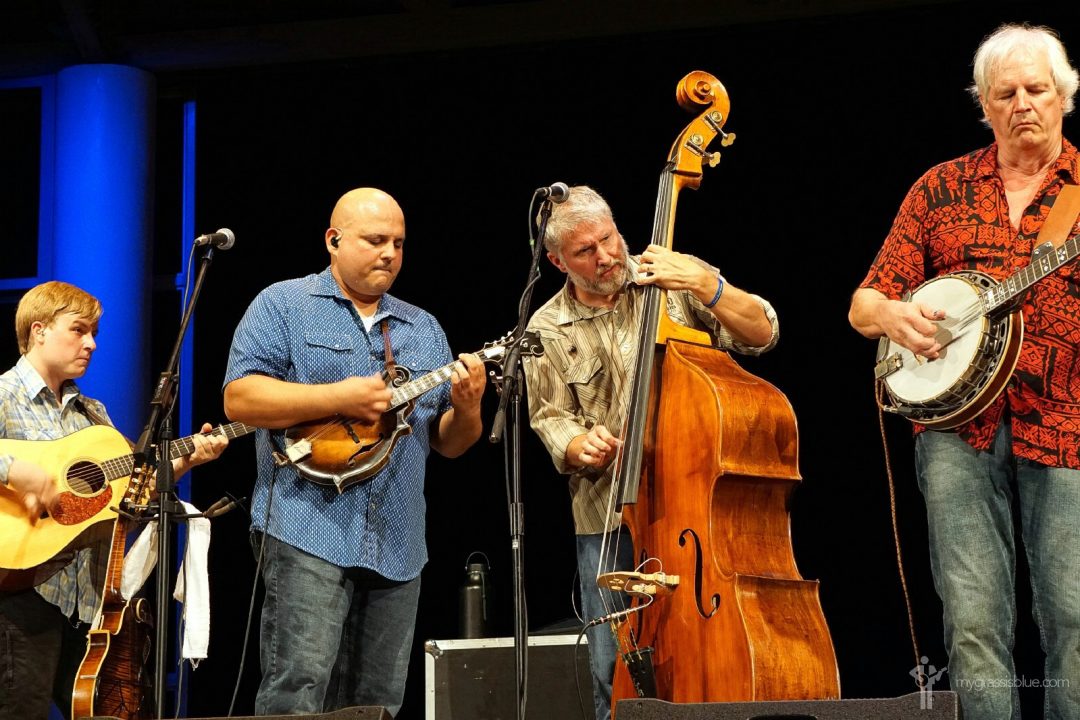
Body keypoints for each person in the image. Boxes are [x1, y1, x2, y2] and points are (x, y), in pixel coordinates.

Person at [849, 23, 1080, 719]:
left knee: (1074, 613)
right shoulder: (939, 189)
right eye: (1005, 93)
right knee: (975, 623)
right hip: (955, 433)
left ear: (1064, 95)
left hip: (1067, 424)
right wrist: (894, 320)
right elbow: (864, 303)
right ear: (984, 103)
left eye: (1037, 89)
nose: (1023, 105)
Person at [223, 187, 486, 716]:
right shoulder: (283, 304)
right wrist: (338, 395)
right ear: (333, 239)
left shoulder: (423, 327)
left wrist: (470, 407)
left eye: (399, 243)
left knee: (378, 705)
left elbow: (448, 443)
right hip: (304, 529)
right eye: (375, 240)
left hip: (397, 541)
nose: (389, 253)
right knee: (297, 692)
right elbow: (240, 399)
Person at [521, 185, 778, 720]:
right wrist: (575, 442)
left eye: (609, 238)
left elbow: (763, 334)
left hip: (698, 509)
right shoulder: (544, 327)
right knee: (613, 667)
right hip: (607, 517)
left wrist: (710, 286)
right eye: (586, 251)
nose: (608, 256)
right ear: (556, 260)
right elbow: (549, 417)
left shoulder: (673, 277)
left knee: (714, 656)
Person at [0, 280, 227, 720]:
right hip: (21, 593)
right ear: (40, 330)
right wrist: (15, 470)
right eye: (79, 330)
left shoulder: (94, 414)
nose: (91, 344)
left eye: (95, 334)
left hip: (89, 604)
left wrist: (183, 463)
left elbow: (131, 495)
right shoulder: (4, 395)